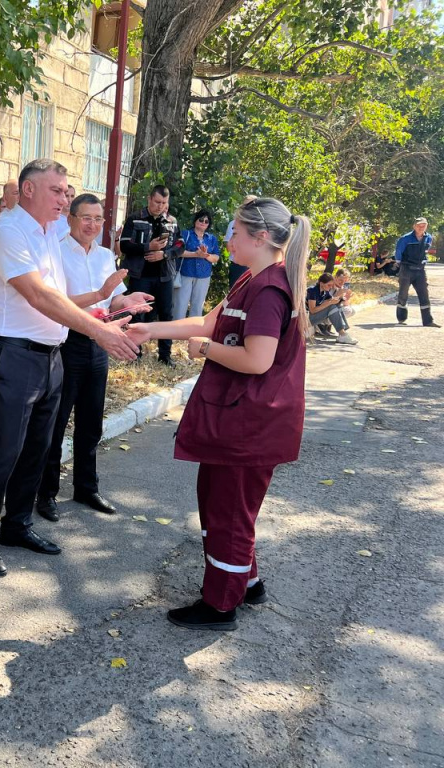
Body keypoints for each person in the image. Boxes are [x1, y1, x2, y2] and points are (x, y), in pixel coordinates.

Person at [126, 197, 310, 631]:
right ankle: (247, 582)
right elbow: (208, 322)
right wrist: (148, 329)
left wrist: (206, 350)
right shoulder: (253, 278)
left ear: (260, 238)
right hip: (238, 419)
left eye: (235, 232)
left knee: (228, 512)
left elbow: (257, 360)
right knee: (221, 504)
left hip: (251, 425)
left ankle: (221, 604)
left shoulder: (269, 290)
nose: (228, 240)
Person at [0, 159, 140, 578]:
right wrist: (98, 332)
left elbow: (61, 297)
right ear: (28, 190)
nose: (65, 199)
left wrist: (105, 311)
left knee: (38, 447)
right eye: (57, 191)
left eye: (66, 191)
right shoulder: (7, 231)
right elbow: (39, 296)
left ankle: (17, 525)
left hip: (51, 354)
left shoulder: (50, 232)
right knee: (4, 448)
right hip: (14, 354)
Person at [36, 193, 152, 521]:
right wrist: (99, 295)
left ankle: (86, 488)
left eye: (98, 219)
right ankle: (46, 493)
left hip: (100, 342)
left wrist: (128, 301)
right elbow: (57, 303)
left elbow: (113, 301)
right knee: (56, 423)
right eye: (86, 218)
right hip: (68, 341)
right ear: (70, 218)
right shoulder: (56, 252)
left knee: (91, 423)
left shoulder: (104, 256)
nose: (92, 225)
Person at [118, 185, 184, 365]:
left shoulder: (171, 221)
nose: (160, 206)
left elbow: (180, 246)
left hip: (164, 276)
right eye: (157, 202)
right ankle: (134, 354)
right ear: (149, 199)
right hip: (140, 275)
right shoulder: (135, 218)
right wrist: (148, 247)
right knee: (137, 314)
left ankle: (165, 356)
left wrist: (164, 254)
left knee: (166, 315)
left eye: (164, 203)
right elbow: (124, 245)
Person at [173, 209, 220, 319]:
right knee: (180, 305)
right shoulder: (185, 234)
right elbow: (178, 252)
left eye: (206, 221)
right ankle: (176, 327)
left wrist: (206, 255)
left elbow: (216, 257)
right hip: (185, 273)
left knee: (197, 306)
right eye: (201, 219)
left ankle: (193, 328)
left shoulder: (212, 238)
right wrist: (196, 254)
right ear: (195, 220)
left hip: (204, 276)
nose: (203, 222)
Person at [394, 217, 439, 327]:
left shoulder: (428, 237)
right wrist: (399, 263)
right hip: (406, 269)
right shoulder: (405, 238)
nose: (421, 227)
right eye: (419, 225)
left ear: (426, 226)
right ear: (414, 226)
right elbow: (399, 251)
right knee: (403, 294)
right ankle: (401, 318)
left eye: (424, 225)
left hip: (420, 270)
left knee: (424, 294)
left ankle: (428, 321)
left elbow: (425, 250)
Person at [307, 274, 357, 344]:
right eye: (329, 285)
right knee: (331, 307)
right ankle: (342, 334)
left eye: (331, 285)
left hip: (315, 317)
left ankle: (343, 333)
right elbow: (312, 310)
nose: (330, 287)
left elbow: (332, 300)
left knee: (337, 306)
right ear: (321, 283)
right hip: (306, 319)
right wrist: (330, 302)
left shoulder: (325, 291)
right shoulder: (312, 290)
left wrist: (342, 297)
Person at [226, 195, 257, 288]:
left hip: (257, 266)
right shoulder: (233, 224)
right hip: (239, 266)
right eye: (246, 205)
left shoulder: (262, 225)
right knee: (235, 294)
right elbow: (229, 247)